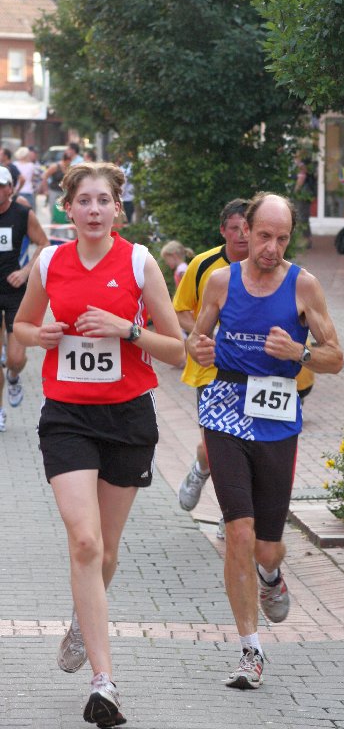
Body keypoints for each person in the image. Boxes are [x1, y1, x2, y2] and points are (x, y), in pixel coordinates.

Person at [13, 162, 185, 726]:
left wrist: (126, 329)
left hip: (127, 418)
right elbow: (22, 326)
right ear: (68, 208)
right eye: (83, 200)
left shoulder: (139, 262)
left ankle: (79, 625)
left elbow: (177, 350)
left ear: (117, 209)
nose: (93, 210)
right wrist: (42, 335)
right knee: (84, 542)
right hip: (67, 416)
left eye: (103, 201)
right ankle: (104, 682)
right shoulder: (51, 261)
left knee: (106, 551)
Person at [187, 192, 343, 688]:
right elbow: (195, 339)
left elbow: (336, 357)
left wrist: (299, 352)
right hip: (224, 411)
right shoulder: (220, 282)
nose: (271, 247)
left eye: (281, 238)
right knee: (239, 530)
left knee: (267, 548)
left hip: (276, 419)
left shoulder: (304, 286)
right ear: (244, 232)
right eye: (263, 236)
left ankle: (271, 577)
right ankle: (249, 650)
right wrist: (200, 348)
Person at [174, 199, 250, 518]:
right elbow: (180, 311)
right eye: (235, 228)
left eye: (248, 228)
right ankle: (201, 470)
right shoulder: (203, 264)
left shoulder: (269, 265)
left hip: (253, 370)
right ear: (223, 230)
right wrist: (208, 333)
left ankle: (231, 514)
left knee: (245, 444)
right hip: (210, 368)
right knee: (215, 445)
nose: (242, 235)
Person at [0, 166, 49, 432]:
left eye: (0, 186)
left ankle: (14, 376)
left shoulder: (22, 214)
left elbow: (43, 242)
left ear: (10, 188)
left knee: (16, 358)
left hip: (15, 291)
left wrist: (26, 271)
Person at [41, 152, 71, 217]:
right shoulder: (55, 166)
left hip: (64, 192)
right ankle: (53, 221)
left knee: (64, 211)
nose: (69, 162)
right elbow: (44, 176)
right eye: (68, 161)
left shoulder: (69, 167)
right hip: (54, 191)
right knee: (53, 210)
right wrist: (45, 190)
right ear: (65, 160)